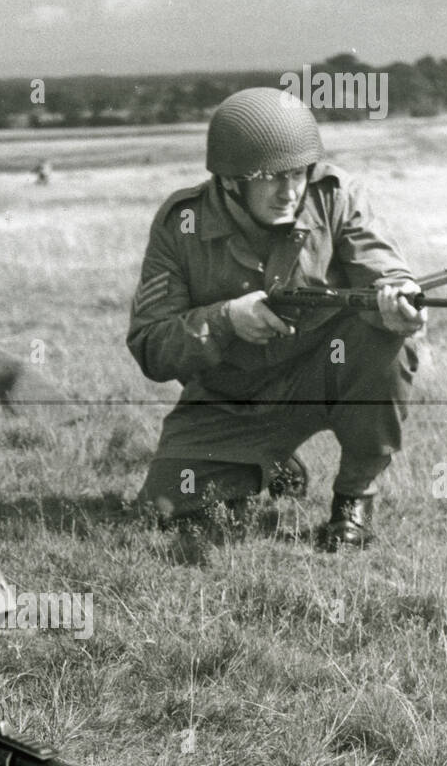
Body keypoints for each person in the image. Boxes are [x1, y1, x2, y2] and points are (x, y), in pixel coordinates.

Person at [127, 88, 427, 548]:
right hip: (231, 398)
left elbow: (382, 267)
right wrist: (224, 319)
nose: (289, 192)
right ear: (230, 180)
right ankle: (268, 460)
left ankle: (353, 500)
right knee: (167, 506)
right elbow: (151, 344)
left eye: (297, 174)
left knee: (383, 336)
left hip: (322, 373)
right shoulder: (179, 224)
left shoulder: (335, 195)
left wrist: (399, 295)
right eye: (269, 178)